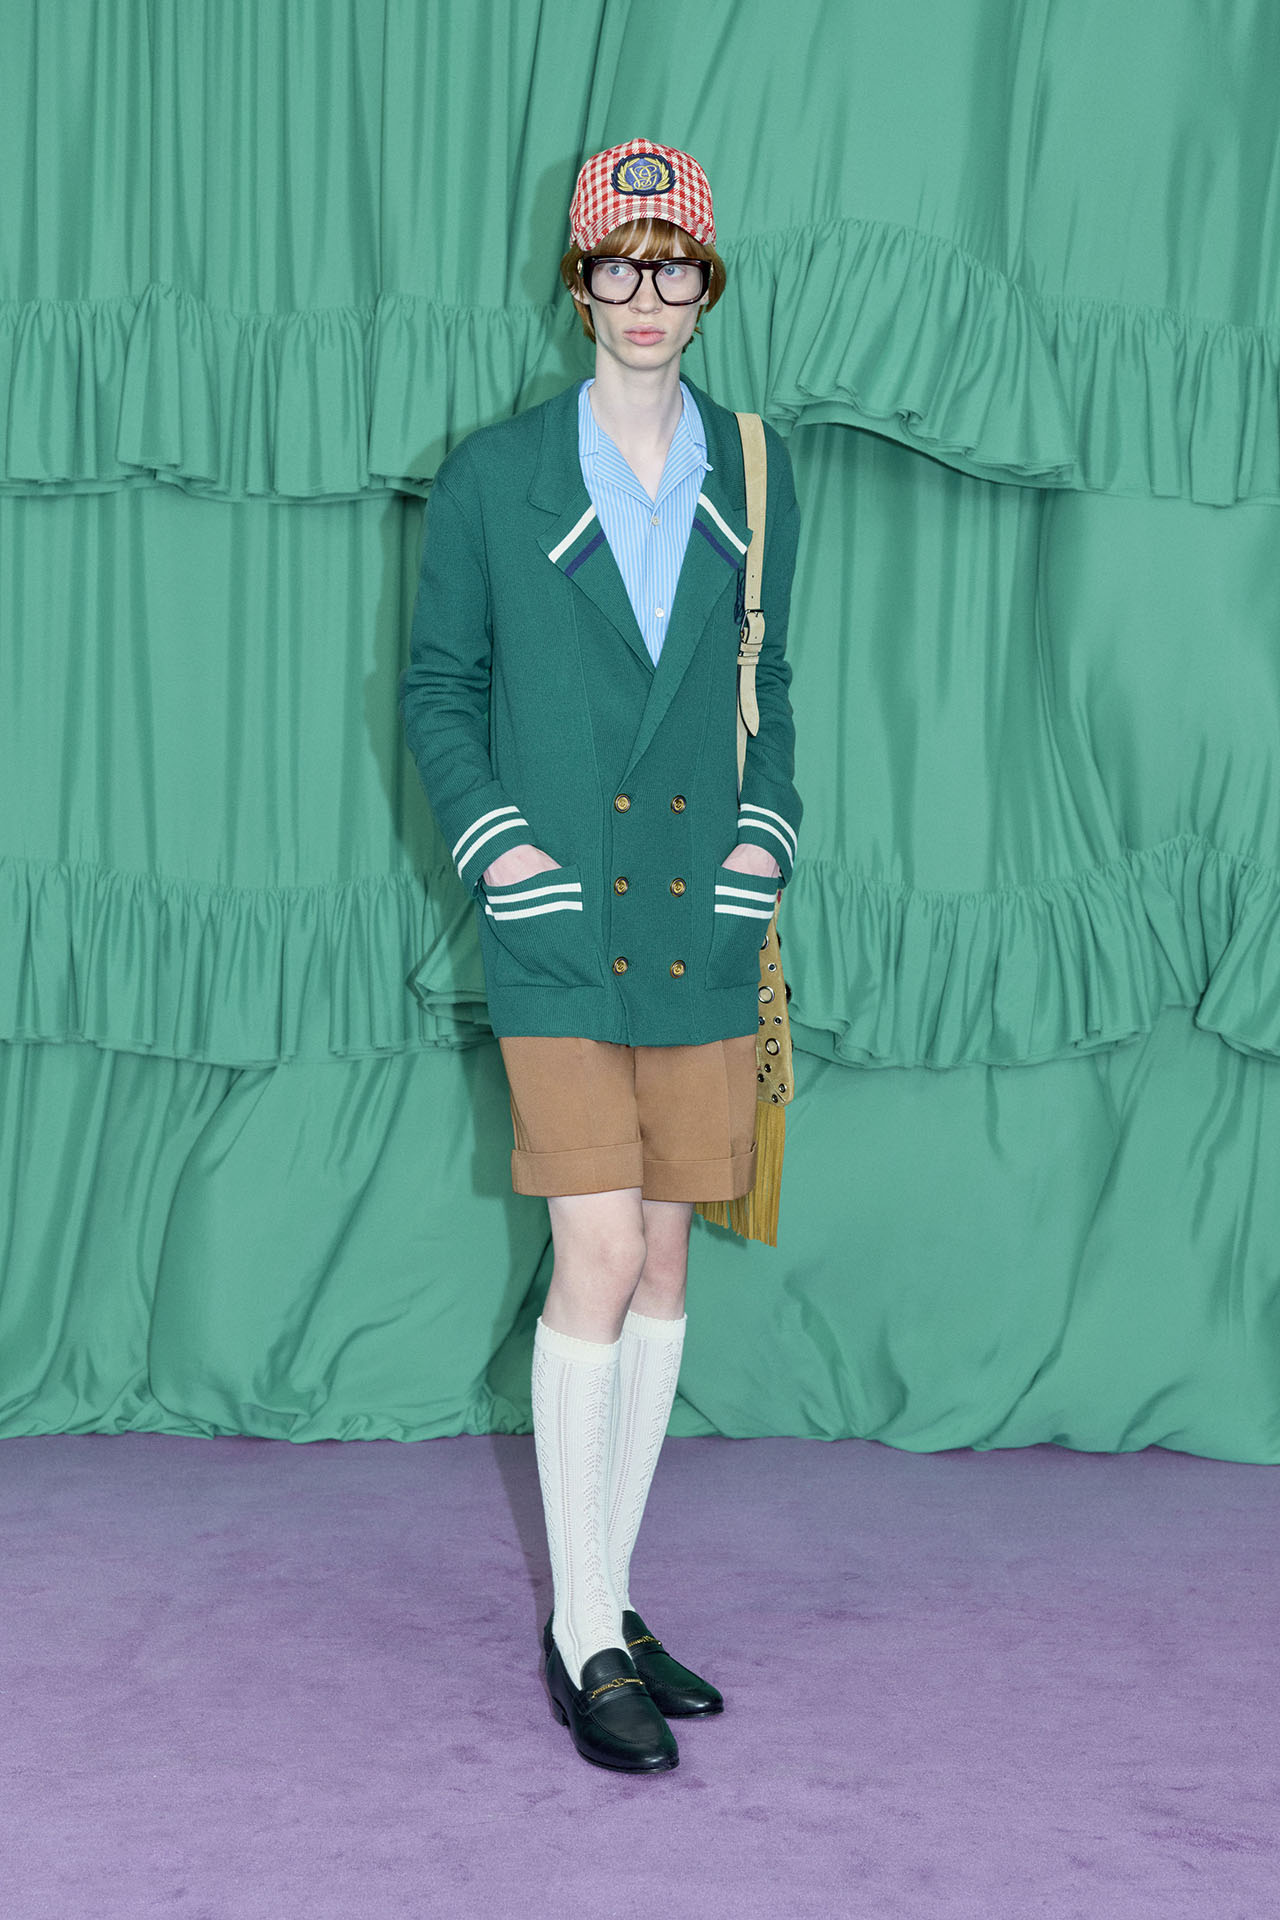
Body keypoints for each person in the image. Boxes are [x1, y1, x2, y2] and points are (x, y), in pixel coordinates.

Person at [399, 138, 802, 1773]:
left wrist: (767, 835)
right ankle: (581, 1634)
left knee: (671, 1262)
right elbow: (438, 690)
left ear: (707, 285)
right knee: (600, 1255)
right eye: (617, 265)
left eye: (674, 265)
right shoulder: (494, 477)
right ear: (579, 285)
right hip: (561, 919)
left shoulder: (757, 469)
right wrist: (498, 847)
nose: (647, 295)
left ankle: (609, 1597)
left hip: (700, 918)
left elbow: (775, 681)